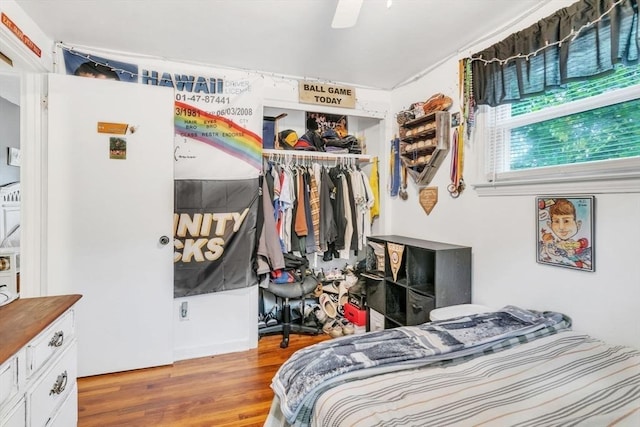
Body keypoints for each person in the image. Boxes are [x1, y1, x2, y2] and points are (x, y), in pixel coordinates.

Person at [546, 198, 591, 269]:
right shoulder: (552, 245)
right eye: (556, 221)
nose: (561, 227)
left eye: (566, 221)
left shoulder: (579, 244)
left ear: (578, 225)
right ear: (550, 225)